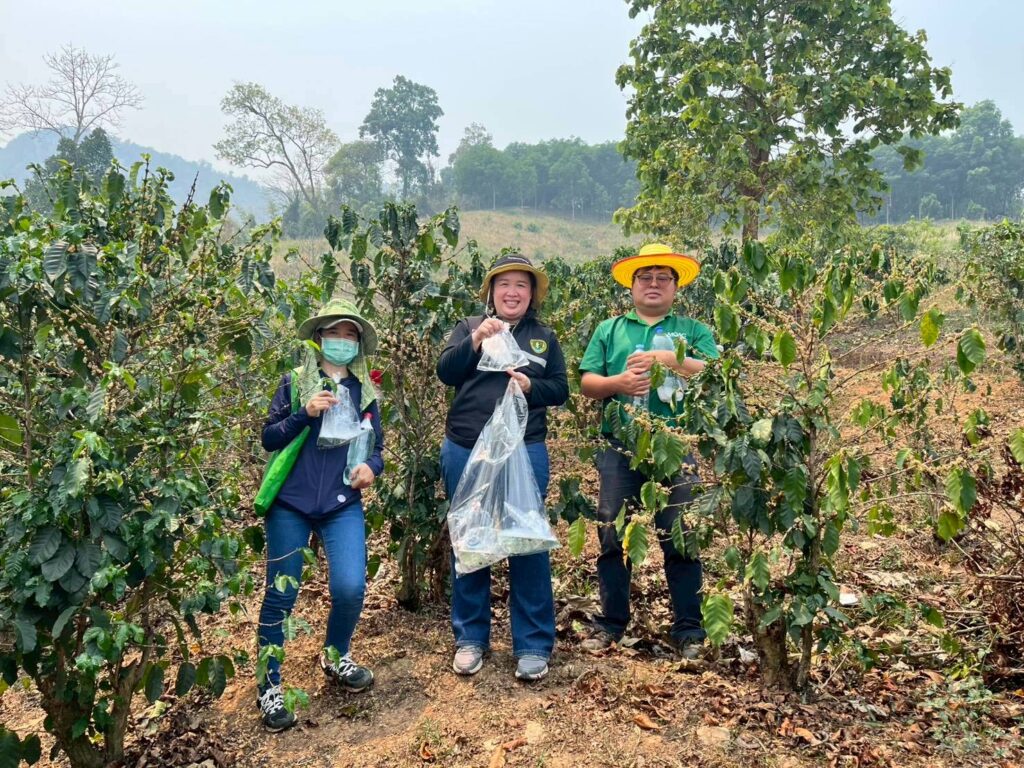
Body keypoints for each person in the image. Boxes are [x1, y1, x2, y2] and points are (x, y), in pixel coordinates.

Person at [578, 244, 719, 658]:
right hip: (620, 447)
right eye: (645, 277)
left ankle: (689, 629)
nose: (653, 284)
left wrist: (671, 358)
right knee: (612, 533)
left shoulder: (692, 330)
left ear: (675, 287)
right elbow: (587, 382)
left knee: (682, 534)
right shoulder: (609, 329)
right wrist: (617, 384)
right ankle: (612, 623)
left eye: (663, 278)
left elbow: (714, 372)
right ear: (632, 286)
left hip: (677, 445)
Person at [436, 253, 569, 681]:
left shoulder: (543, 338)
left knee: (525, 539)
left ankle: (532, 643)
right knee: (471, 538)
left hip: (523, 449)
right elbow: (446, 372)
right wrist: (476, 340)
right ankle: (470, 638)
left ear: (532, 295)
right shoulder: (469, 326)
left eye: (522, 285)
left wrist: (531, 386)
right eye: (504, 284)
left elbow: (560, 389)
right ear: (491, 292)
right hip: (466, 446)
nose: (513, 292)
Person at [254, 299, 384, 732]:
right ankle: (269, 686)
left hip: (340, 503)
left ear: (358, 344)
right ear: (319, 338)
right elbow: (270, 438)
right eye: (335, 333)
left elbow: (377, 449)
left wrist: (371, 469)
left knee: (350, 587)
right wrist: (304, 413)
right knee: (281, 595)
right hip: (290, 504)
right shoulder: (294, 382)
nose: (342, 341)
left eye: (350, 335)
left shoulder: (365, 392)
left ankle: (336, 655)